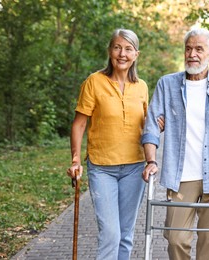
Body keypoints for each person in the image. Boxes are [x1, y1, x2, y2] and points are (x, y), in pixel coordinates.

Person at [141, 28, 209, 260]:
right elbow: (150, 127)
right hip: (181, 177)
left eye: (199, 49)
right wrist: (151, 160)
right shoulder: (166, 85)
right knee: (175, 238)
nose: (192, 54)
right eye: (188, 48)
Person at [66, 28, 150, 260]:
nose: (122, 54)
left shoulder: (141, 87)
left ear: (136, 55)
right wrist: (75, 159)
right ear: (110, 51)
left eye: (128, 49)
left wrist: (158, 125)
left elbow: (147, 125)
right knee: (111, 234)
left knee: (125, 234)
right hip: (102, 168)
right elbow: (79, 125)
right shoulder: (94, 82)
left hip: (134, 167)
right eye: (117, 47)